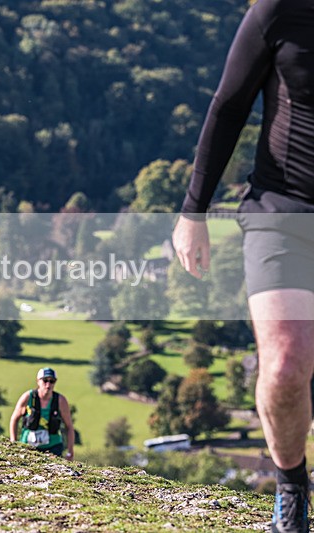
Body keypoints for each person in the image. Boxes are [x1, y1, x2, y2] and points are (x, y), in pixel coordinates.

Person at [172, 1, 314, 530]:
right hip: (282, 213)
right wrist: (194, 211)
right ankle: (291, 487)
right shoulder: (278, 12)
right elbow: (229, 106)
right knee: (284, 365)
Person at [9, 368, 74, 459]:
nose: (48, 385)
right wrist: (13, 442)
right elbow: (14, 419)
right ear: (38, 381)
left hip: (53, 447)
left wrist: (70, 451)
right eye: (45, 380)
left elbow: (69, 426)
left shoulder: (60, 400)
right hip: (27, 445)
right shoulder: (28, 397)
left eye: (52, 381)